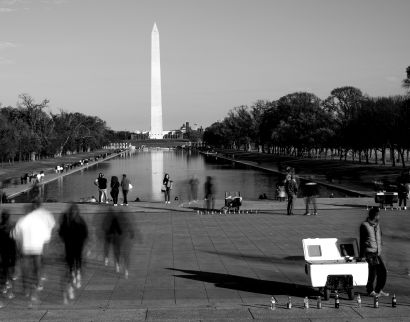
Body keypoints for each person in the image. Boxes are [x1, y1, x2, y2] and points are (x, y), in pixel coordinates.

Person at [13, 200, 55, 305]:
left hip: (25, 249)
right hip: (37, 249)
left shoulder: (23, 220)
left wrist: (19, 247)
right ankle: (34, 292)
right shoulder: (40, 221)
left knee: (26, 270)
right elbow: (46, 237)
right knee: (37, 270)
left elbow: (16, 235)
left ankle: (26, 288)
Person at [58, 204, 88, 303]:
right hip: (70, 246)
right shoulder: (68, 222)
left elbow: (85, 233)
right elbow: (61, 233)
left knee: (77, 261)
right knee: (71, 264)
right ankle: (73, 279)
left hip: (77, 245)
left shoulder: (78, 221)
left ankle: (77, 274)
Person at [360, 207, 389, 297]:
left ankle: (378, 289)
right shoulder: (364, 225)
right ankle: (370, 290)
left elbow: (379, 236)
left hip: (376, 253)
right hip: (369, 253)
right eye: (378, 215)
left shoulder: (377, 225)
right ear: (375, 216)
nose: (379, 216)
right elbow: (362, 241)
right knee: (372, 272)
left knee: (383, 272)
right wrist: (362, 255)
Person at [0, 210, 16, 299]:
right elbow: (14, 239)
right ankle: (10, 291)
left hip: (3, 252)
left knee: (4, 271)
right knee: (10, 272)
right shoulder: (12, 227)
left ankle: (4, 288)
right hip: (11, 251)